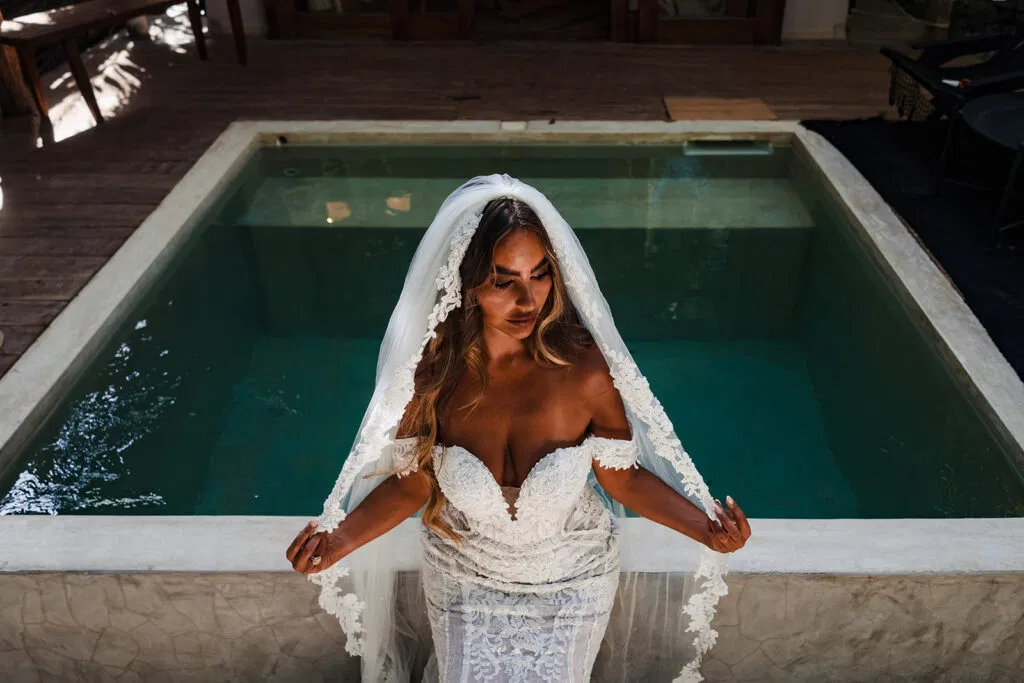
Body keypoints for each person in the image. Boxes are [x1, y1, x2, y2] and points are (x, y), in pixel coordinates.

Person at [286, 175, 751, 683]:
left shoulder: (586, 372)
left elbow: (621, 477)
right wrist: (337, 542)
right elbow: (410, 483)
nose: (528, 300)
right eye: (503, 280)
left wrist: (704, 528)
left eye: (540, 274)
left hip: (573, 580)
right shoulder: (431, 375)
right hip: (463, 578)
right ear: (467, 282)